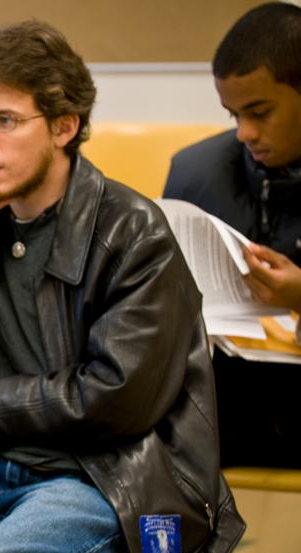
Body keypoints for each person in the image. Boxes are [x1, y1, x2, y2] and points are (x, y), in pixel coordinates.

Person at [0, 20, 245, 553]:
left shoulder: (132, 230)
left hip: (99, 480)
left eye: (4, 121)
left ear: (64, 126)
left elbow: (114, 399)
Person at [164, 2, 301, 468]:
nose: (245, 132)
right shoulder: (196, 171)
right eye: (232, 115)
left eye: (260, 113)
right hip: (226, 402)